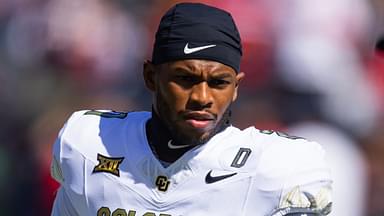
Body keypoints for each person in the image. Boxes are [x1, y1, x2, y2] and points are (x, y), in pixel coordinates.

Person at [50, 3, 332, 216]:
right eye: (185, 79)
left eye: (219, 82)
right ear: (150, 77)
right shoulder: (87, 144)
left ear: (236, 87)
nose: (202, 97)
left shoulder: (280, 167)